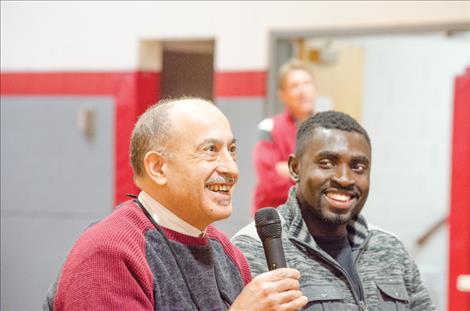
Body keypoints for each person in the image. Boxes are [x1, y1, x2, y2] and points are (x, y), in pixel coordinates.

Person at [44, 98, 308, 310]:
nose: (231, 169)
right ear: (158, 168)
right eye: (210, 150)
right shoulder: (109, 254)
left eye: (232, 150)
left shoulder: (226, 251)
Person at [233, 111, 435, 310]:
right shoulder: (254, 248)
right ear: (295, 168)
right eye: (327, 163)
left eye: (358, 167)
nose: (345, 178)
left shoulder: (390, 249)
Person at [252, 58, 317, 214]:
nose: (302, 91)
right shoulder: (269, 128)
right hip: (275, 220)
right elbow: (269, 184)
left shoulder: (327, 129)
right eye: (295, 86)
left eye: (307, 83)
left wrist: (290, 171)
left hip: (314, 220)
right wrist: (311, 175)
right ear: (282, 94)